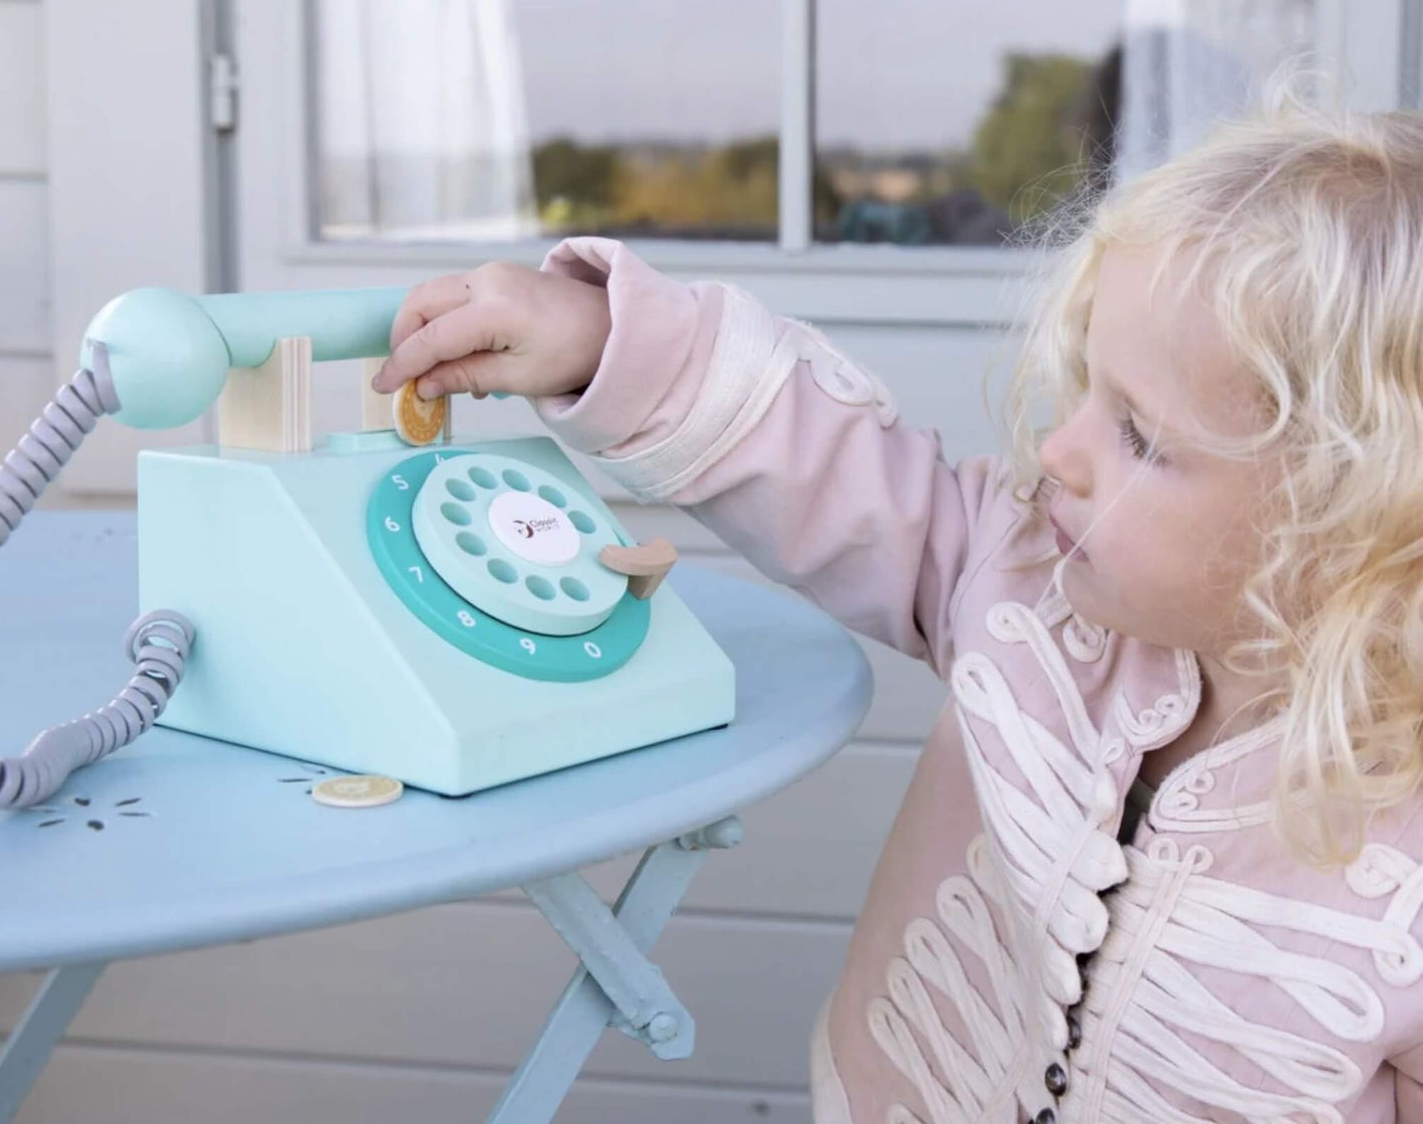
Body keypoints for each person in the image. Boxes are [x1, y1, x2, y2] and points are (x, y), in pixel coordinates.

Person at [371, 93, 1423, 1122]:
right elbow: (835, 467)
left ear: (1357, 516)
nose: (1058, 452)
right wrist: (603, 338)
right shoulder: (1025, 588)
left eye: (1139, 436)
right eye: (1086, 391)